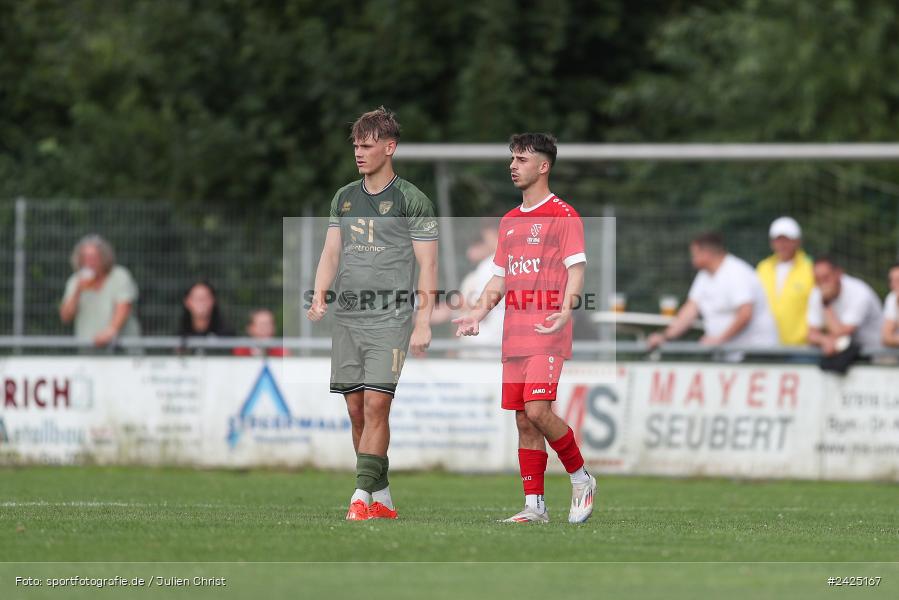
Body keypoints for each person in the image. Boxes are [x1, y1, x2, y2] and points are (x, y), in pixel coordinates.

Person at [453, 132, 595, 524]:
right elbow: (499, 279)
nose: (512, 166)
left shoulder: (563, 215)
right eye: (511, 158)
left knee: (537, 410)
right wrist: (476, 314)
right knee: (522, 417)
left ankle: (581, 477)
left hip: (547, 330)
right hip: (513, 335)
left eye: (521, 159)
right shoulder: (510, 222)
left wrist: (566, 310)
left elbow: (576, 270)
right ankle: (535, 506)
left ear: (543, 166)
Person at [306, 107, 438, 521]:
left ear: (389, 147)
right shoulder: (344, 197)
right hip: (348, 317)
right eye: (356, 147)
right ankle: (381, 498)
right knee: (356, 410)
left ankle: (361, 496)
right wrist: (320, 295)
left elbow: (428, 266)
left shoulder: (412, 200)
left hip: (390, 318)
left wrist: (422, 321)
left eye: (367, 146)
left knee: (378, 406)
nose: (359, 154)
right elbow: (331, 251)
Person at [647, 233, 778, 351]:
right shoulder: (704, 276)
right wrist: (665, 336)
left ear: (707, 253)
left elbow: (745, 314)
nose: (692, 260)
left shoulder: (736, 273)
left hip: (755, 353)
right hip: (730, 354)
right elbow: (689, 311)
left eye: (695, 254)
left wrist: (719, 340)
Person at [60, 234, 141, 347]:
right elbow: (66, 317)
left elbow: (124, 306)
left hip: (122, 349)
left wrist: (110, 331)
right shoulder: (75, 281)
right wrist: (77, 291)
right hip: (88, 349)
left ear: (104, 258)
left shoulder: (119, 275)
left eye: (94, 258)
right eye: (85, 258)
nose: (89, 263)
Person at [756, 217, 815, 345]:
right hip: (766, 344)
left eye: (787, 240)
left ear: (797, 241)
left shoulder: (811, 268)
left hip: (801, 346)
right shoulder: (763, 267)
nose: (782, 244)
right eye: (778, 240)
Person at [807, 257, 882, 354]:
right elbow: (811, 334)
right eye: (817, 279)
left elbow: (841, 334)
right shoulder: (816, 292)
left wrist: (826, 303)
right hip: (848, 353)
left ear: (838, 273)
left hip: (877, 353)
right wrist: (825, 340)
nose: (822, 284)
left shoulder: (860, 293)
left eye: (826, 277)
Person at [882, 263, 899, 347]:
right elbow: (887, 338)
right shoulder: (892, 297)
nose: (892, 285)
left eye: (898, 280)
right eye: (891, 280)